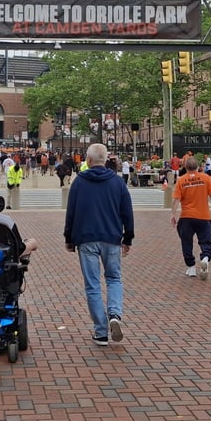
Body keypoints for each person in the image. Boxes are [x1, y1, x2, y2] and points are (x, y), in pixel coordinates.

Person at [64, 143, 134, 346]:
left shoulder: (79, 182)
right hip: (111, 237)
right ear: (106, 160)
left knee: (92, 285)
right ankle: (115, 314)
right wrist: (128, 238)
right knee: (114, 278)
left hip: (86, 238)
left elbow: (71, 212)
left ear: (88, 160)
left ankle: (101, 331)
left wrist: (69, 238)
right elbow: (127, 212)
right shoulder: (117, 182)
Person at [170, 155, 211, 279]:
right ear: (199, 167)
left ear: (185, 167)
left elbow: (176, 199)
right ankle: (205, 257)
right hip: (203, 216)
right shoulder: (206, 178)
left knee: (186, 241)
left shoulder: (181, 180)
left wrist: (173, 214)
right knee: (206, 240)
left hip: (186, 217)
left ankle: (191, 267)